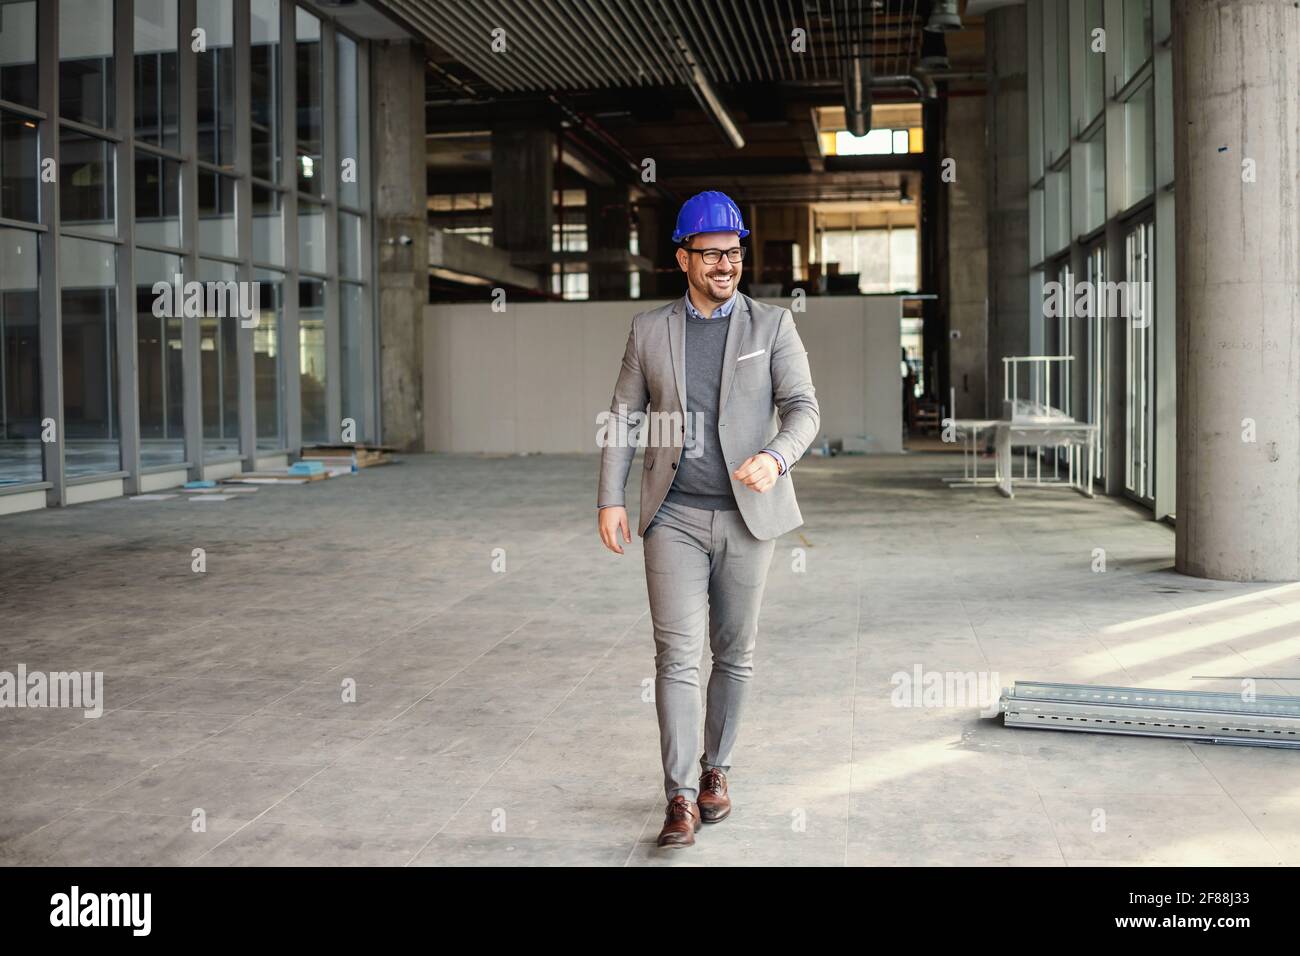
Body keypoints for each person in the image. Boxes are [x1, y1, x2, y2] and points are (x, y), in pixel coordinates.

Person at [596, 190, 820, 848]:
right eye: (713, 252)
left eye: (735, 251)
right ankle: (680, 796)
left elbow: (804, 407)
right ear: (683, 258)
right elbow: (624, 419)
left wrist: (777, 458)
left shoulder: (771, 325)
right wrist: (611, 497)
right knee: (675, 657)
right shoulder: (649, 331)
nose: (726, 263)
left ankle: (717, 768)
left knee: (736, 654)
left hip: (749, 521)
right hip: (674, 516)